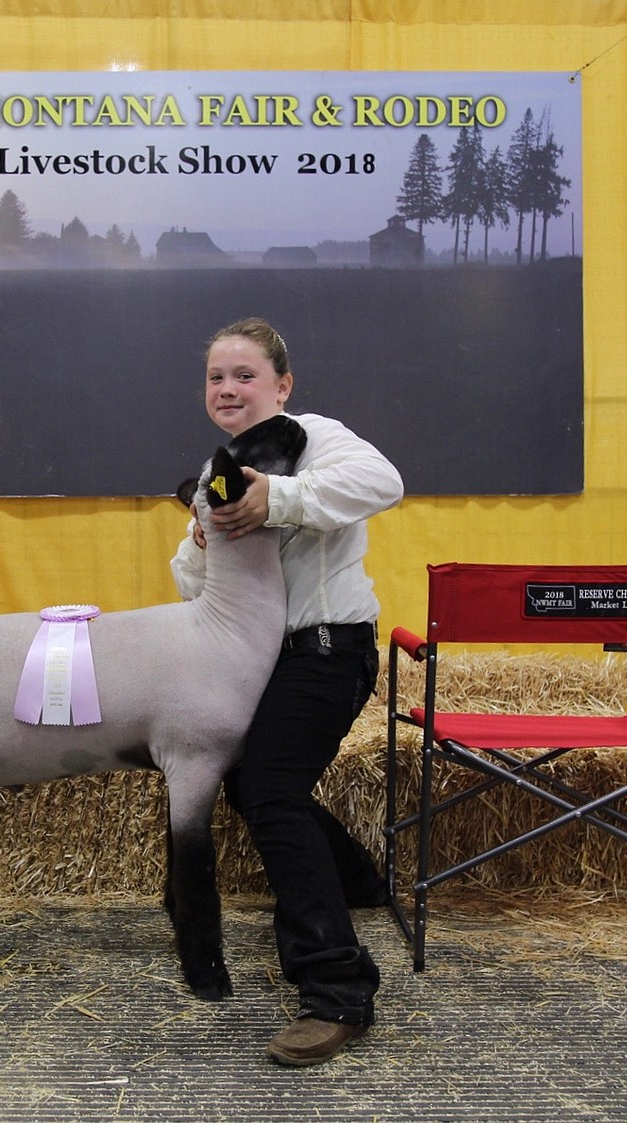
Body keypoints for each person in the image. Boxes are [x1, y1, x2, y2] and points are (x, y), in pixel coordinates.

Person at [171, 317, 403, 1066]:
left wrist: (279, 498)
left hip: (329, 646)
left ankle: (337, 986)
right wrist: (205, 542)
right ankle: (358, 879)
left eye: (245, 374)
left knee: (269, 785)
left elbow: (383, 484)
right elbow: (188, 583)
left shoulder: (320, 438)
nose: (229, 388)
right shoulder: (219, 467)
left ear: (282, 385)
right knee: (245, 782)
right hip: (260, 657)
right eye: (217, 377)